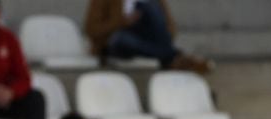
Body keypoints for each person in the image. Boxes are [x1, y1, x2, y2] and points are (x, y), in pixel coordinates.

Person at [85, 0, 213, 73]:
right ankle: (175, 57)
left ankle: (170, 57)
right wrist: (120, 22)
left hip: (147, 39)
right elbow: (91, 30)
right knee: (121, 40)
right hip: (117, 40)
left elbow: (170, 29)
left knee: (149, 7)